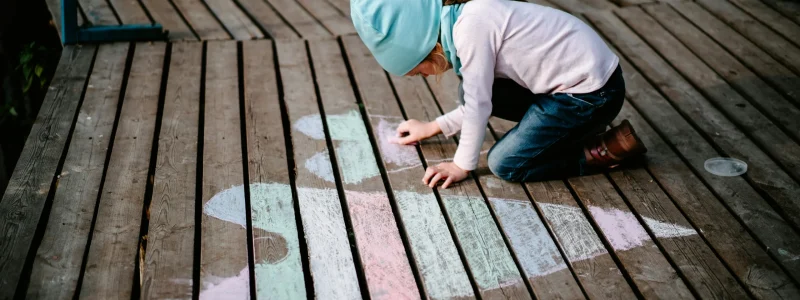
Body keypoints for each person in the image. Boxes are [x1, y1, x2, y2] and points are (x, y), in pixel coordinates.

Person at [351, 0, 647, 188]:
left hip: (590, 97)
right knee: (469, 89)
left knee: (505, 163)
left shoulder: (471, 31)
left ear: (426, 48)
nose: (425, 76)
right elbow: (476, 98)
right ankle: (573, 130)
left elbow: (479, 105)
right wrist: (432, 127)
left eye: (418, 71)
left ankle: (597, 151)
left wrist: (461, 165)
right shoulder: (465, 16)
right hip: (579, 85)